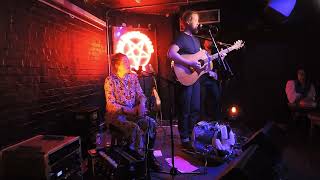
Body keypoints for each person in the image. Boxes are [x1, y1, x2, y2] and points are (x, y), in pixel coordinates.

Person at [104, 53, 161, 170]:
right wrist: (130, 110)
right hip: (117, 116)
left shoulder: (133, 77)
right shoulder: (110, 80)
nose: (128, 64)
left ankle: (149, 156)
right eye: (125, 62)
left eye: (128, 61)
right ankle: (138, 161)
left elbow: (141, 94)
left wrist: (142, 104)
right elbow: (111, 105)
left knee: (151, 123)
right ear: (116, 65)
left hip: (134, 113)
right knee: (134, 128)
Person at [167, 10, 205, 149]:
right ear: (188, 21)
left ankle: (192, 135)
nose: (198, 23)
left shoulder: (196, 40)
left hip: (196, 79)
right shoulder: (181, 37)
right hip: (185, 78)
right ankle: (184, 138)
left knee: (195, 108)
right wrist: (189, 63)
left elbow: (199, 60)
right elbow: (171, 53)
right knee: (185, 109)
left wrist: (217, 57)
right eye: (196, 20)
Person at [199, 38, 226, 122]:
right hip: (202, 78)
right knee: (202, 99)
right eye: (208, 41)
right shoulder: (201, 52)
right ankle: (203, 120)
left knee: (217, 97)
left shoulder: (215, 52)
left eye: (211, 41)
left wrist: (222, 58)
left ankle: (217, 119)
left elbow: (218, 65)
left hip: (212, 79)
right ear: (204, 43)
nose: (210, 42)